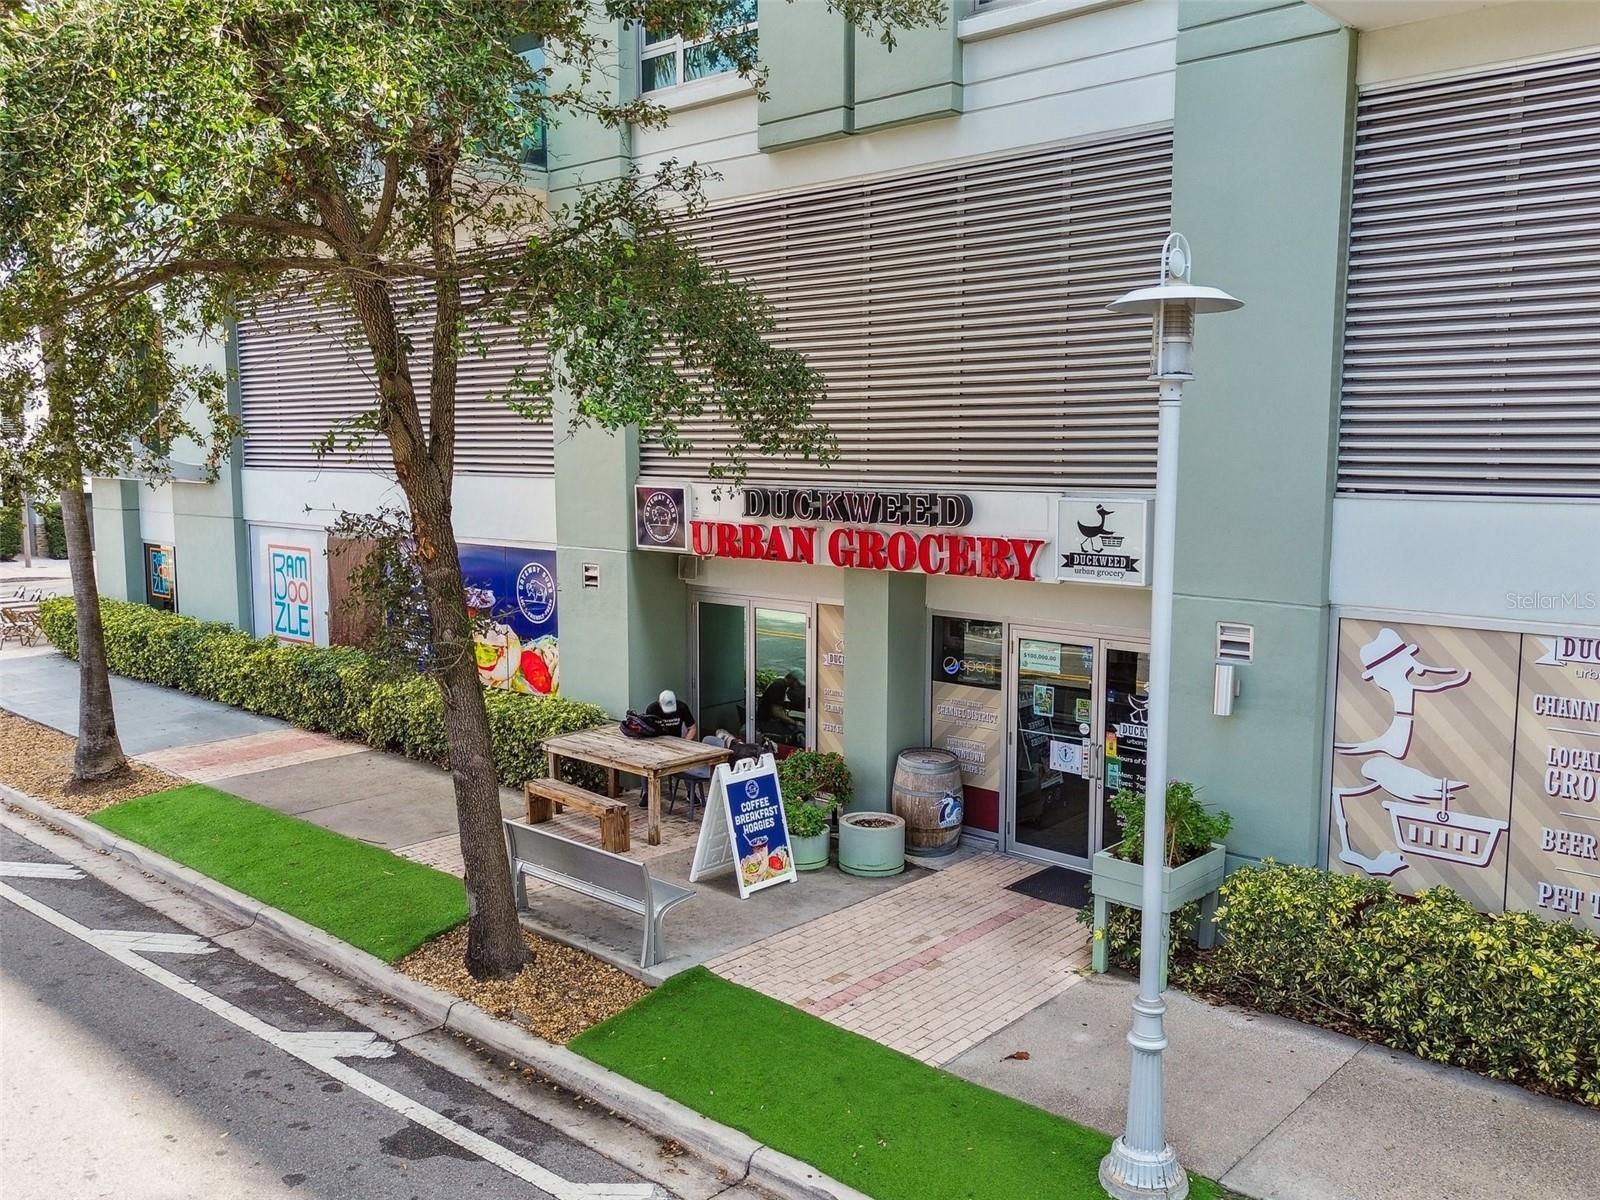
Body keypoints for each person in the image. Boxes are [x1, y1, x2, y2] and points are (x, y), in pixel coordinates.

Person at [757, 671, 805, 742]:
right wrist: (795, 722)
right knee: (798, 731)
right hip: (766, 722)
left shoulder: (780, 683)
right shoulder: (779, 686)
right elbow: (776, 712)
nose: (797, 686)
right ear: (792, 679)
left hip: (768, 720)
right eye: (797, 683)